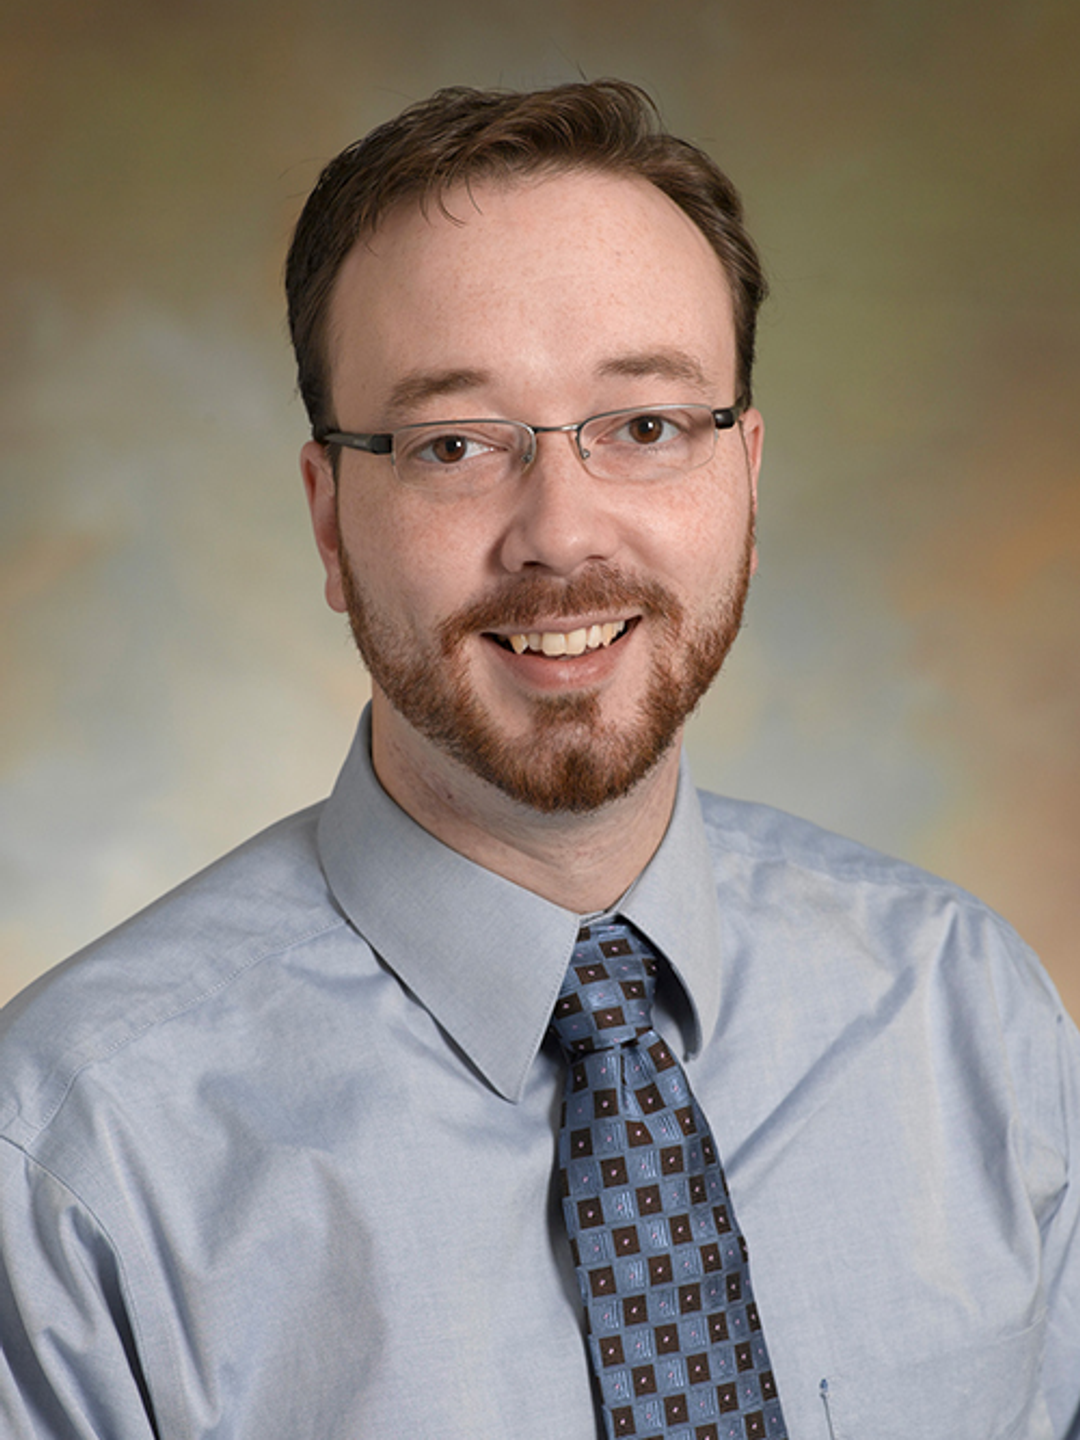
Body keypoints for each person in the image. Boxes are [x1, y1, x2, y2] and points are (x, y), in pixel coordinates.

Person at [0, 80, 1077, 1440]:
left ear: (744, 480)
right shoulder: (72, 1163)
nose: (561, 537)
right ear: (331, 522)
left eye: (644, 426)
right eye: (456, 444)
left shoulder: (973, 1022)